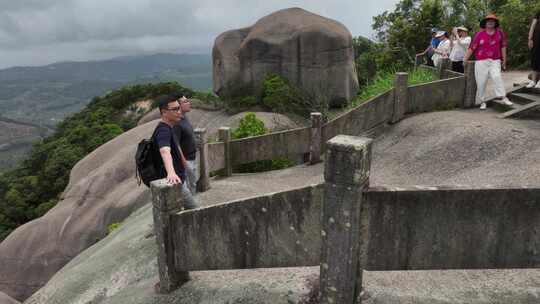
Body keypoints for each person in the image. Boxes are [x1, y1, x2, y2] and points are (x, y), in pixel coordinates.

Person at [154, 94, 198, 209]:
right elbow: (164, 150)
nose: (179, 112)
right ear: (164, 112)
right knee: (195, 210)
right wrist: (171, 172)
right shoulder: (163, 130)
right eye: (175, 109)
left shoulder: (170, 127)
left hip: (180, 179)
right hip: (176, 182)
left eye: (179, 108)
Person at [463, 14, 513, 110]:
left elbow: (503, 46)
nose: (490, 22)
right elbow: (472, 48)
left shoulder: (500, 33)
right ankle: (482, 101)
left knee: (497, 77)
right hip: (481, 61)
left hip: (495, 60)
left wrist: (504, 60)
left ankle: (503, 97)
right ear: (485, 23)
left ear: (495, 23)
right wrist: (465, 59)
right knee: (481, 82)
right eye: (488, 21)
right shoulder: (479, 34)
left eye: (493, 21)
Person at [172, 94, 198, 196]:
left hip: (192, 158)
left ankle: (194, 208)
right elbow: (176, 144)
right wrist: (184, 163)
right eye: (185, 102)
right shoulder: (177, 123)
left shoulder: (185, 118)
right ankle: (192, 209)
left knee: (193, 184)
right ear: (178, 106)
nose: (189, 103)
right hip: (186, 161)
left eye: (188, 101)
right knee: (188, 186)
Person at [526, 10, 540, 88]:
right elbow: (533, 26)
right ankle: (533, 81)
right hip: (536, 39)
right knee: (534, 58)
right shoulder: (539, 12)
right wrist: (530, 39)